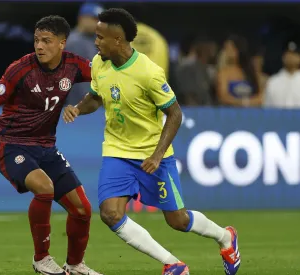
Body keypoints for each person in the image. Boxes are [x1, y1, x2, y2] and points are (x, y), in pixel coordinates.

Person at [63, 8, 240, 275]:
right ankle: (173, 263)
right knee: (111, 213)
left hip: (152, 156)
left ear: (118, 40)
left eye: (100, 37)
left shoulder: (149, 72)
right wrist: (78, 107)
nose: (95, 42)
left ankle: (226, 238)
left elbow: (175, 113)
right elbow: (96, 97)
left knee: (178, 220)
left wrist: (157, 155)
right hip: (117, 151)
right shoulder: (100, 63)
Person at [0, 15, 102, 275]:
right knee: (44, 188)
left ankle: (76, 265)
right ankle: (41, 258)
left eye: (46, 41)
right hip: (10, 144)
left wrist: (78, 108)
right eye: (36, 40)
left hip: (46, 147)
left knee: (82, 209)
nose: (39, 46)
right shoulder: (20, 69)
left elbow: (105, 81)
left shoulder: (75, 66)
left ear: (62, 43)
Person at [216, 35, 263, 107]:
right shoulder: (223, 73)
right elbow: (223, 96)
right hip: (231, 113)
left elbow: (260, 96)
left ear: (238, 49)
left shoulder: (251, 72)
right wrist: (241, 103)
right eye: (226, 49)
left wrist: (247, 103)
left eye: (230, 48)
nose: (227, 52)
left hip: (251, 113)